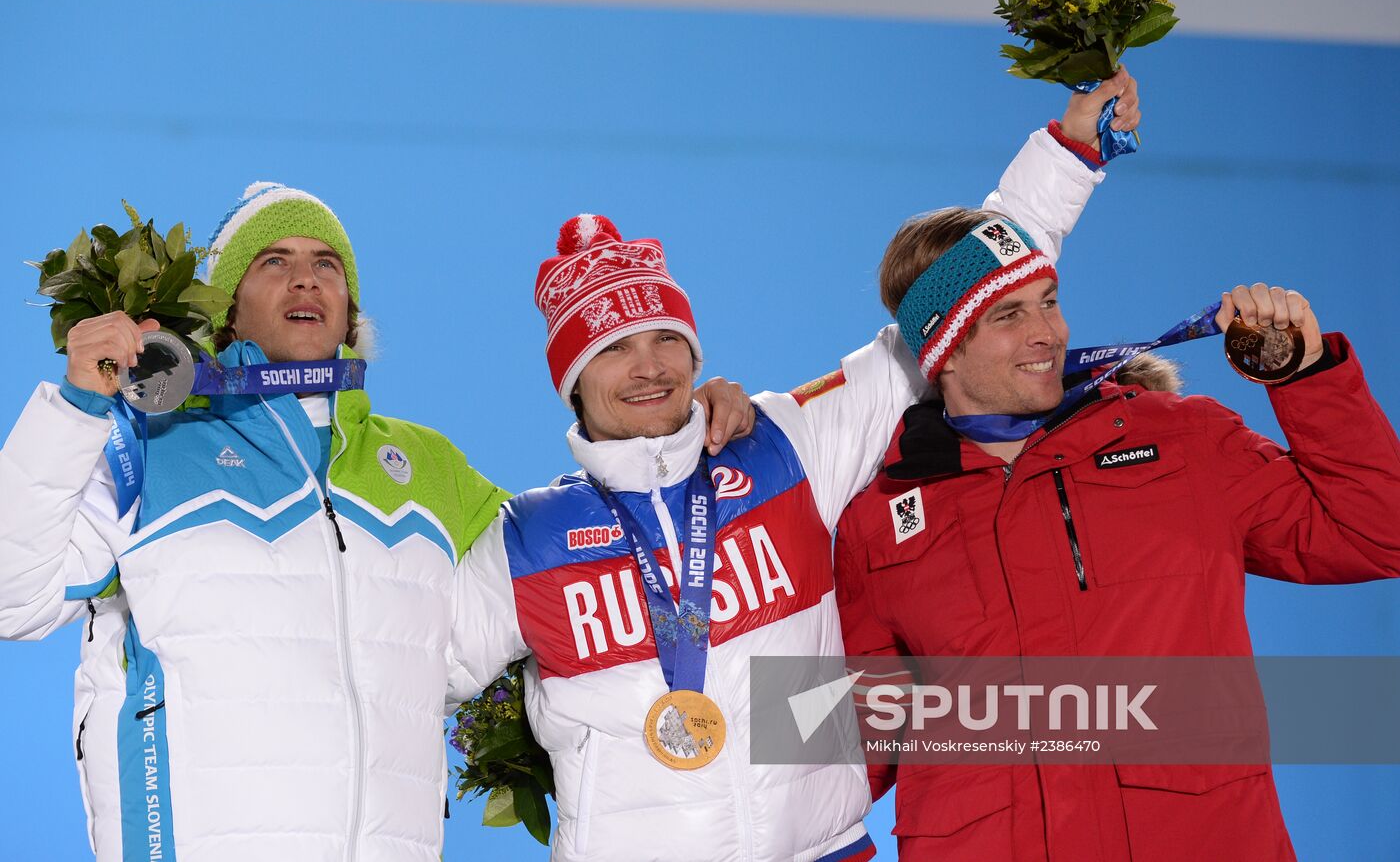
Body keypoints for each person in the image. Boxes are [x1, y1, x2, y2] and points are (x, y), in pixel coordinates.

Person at [443, 74, 1142, 860]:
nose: (649, 367)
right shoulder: (528, 541)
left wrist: (1068, 154)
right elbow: (389, 669)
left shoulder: (783, 445)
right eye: (612, 349)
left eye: (665, 338)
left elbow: (959, 300)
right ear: (572, 380)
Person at [0, 182, 749, 862]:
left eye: (329, 264)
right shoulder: (148, 447)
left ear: (352, 310)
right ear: (226, 308)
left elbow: (604, 561)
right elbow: (13, 596)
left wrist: (687, 431)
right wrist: (77, 407)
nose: (306, 277)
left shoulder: (428, 468)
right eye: (274, 261)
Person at [832, 207, 1400, 861]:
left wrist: (1305, 375)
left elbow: (1376, 530)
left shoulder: (1180, 441)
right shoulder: (879, 522)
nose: (1047, 332)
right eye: (1009, 316)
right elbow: (849, 751)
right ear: (945, 348)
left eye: (1048, 301)